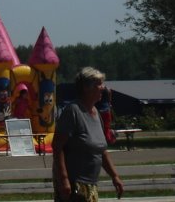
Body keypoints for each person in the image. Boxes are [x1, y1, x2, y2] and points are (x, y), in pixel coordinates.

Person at [52, 67, 124, 202]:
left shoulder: (96, 113)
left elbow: (101, 151)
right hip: (74, 186)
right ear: (86, 88)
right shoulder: (73, 111)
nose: (103, 88)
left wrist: (115, 176)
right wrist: (64, 180)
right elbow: (57, 146)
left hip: (91, 185)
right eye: (99, 84)